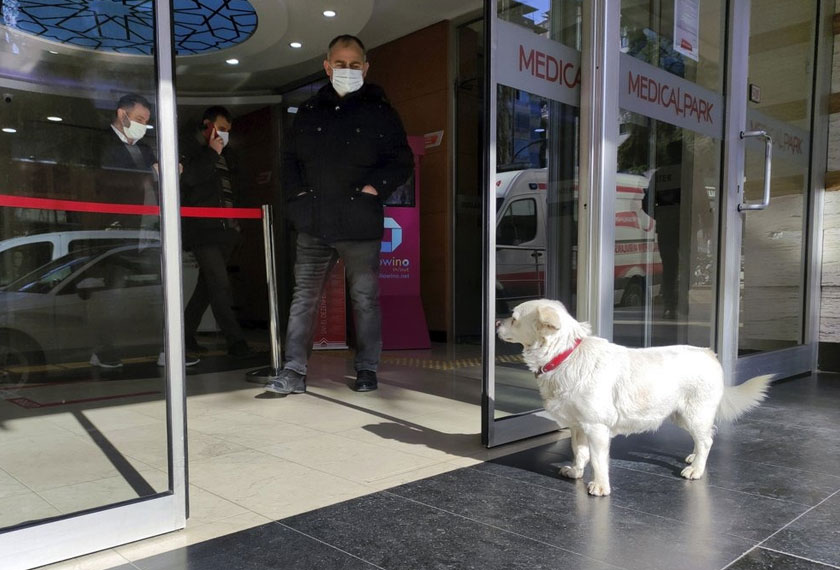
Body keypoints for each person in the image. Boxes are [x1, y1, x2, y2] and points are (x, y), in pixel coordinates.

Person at [265, 34, 413, 395]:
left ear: (366, 66)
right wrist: (297, 198)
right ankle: (293, 371)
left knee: (364, 299)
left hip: (359, 223)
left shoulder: (380, 111)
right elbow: (289, 161)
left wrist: (373, 188)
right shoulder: (309, 110)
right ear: (327, 66)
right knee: (304, 298)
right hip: (314, 223)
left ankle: (366, 369)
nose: (347, 69)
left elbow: (402, 160)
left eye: (354, 63)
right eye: (340, 63)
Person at [91, 93, 199, 369]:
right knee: (113, 292)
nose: (143, 125)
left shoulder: (146, 148)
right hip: (116, 230)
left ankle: (165, 349)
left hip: (148, 229)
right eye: (139, 119)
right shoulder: (100, 143)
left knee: (156, 292)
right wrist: (149, 175)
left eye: (147, 121)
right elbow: (105, 181)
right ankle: (104, 348)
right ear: (121, 114)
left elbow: (155, 182)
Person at [179, 106, 252, 358]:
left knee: (208, 287)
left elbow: (234, 189)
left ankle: (183, 335)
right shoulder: (188, 148)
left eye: (228, 131)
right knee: (219, 284)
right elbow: (187, 181)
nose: (224, 135)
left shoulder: (228, 154)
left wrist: (237, 221)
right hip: (202, 230)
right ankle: (236, 341)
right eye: (220, 128)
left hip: (226, 230)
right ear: (207, 124)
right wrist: (211, 153)